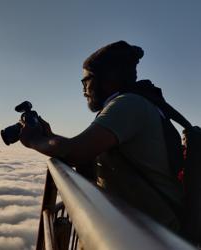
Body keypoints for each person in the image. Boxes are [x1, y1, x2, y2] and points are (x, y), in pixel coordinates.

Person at [20, 41, 183, 232]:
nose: (83, 90)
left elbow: (76, 152)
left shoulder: (128, 104)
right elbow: (86, 149)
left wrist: (34, 140)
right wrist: (50, 136)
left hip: (153, 234)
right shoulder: (137, 103)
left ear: (107, 79)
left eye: (86, 80)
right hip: (146, 227)